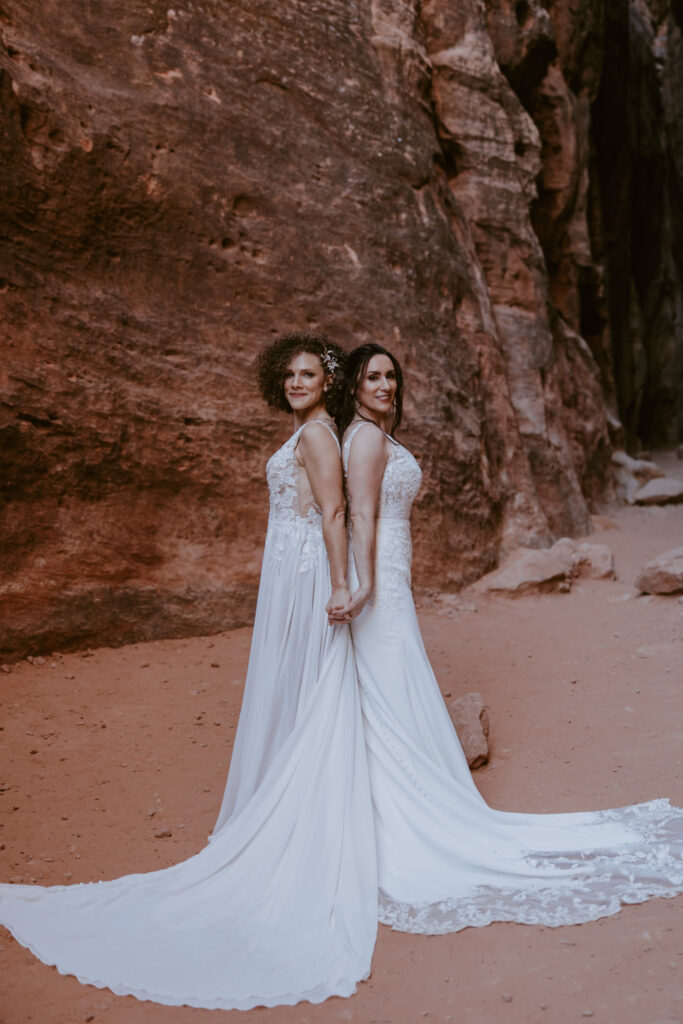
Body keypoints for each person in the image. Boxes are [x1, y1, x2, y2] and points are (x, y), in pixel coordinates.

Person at [0, 333, 377, 1011]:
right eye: (288, 373)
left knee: (308, 685)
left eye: (308, 374)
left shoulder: (319, 436)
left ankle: (299, 821)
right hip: (286, 572)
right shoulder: (305, 431)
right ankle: (277, 802)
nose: (296, 382)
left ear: (328, 383)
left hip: (305, 578)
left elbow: (333, 511)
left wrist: (339, 584)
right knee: (292, 688)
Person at [335, 342, 683, 935]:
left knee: (390, 684)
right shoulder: (365, 438)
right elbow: (362, 513)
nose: (387, 385)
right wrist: (367, 581)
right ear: (354, 386)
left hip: (390, 573)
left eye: (392, 375)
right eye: (374, 377)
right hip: (380, 578)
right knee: (389, 682)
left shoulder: (371, 433)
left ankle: (385, 806)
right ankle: (398, 816)